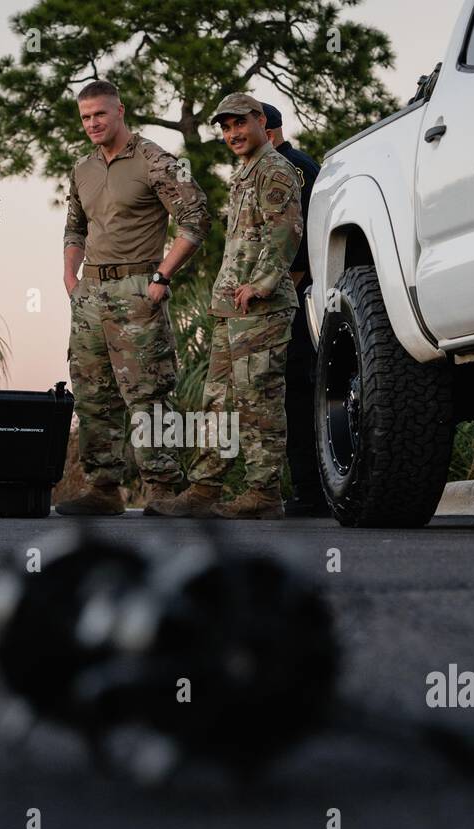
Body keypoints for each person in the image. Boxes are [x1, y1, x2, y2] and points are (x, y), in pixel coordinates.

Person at [55, 80, 212, 516]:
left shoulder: (156, 160)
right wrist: (70, 275)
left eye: (100, 114)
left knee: (147, 393)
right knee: (92, 392)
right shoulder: (82, 168)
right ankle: (103, 488)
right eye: (85, 117)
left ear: (120, 110)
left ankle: (162, 489)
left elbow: (197, 218)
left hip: (137, 290)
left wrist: (162, 275)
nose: (92, 124)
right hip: (89, 294)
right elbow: (75, 228)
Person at [148, 94, 301, 520]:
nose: (232, 133)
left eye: (240, 124)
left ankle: (263, 493)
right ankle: (205, 488)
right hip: (229, 308)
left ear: (259, 121)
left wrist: (262, 285)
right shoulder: (244, 174)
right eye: (226, 127)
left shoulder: (275, 170)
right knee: (218, 401)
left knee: (259, 399)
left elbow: (285, 232)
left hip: (260, 308)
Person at [262, 102, 327, 517]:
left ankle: (312, 491)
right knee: (295, 392)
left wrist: (292, 284)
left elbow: (301, 234)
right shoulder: (278, 164)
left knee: (301, 392)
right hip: (294, 294)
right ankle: (307, 489)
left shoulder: (293, 167)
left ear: (266, 130)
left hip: (300, 296)